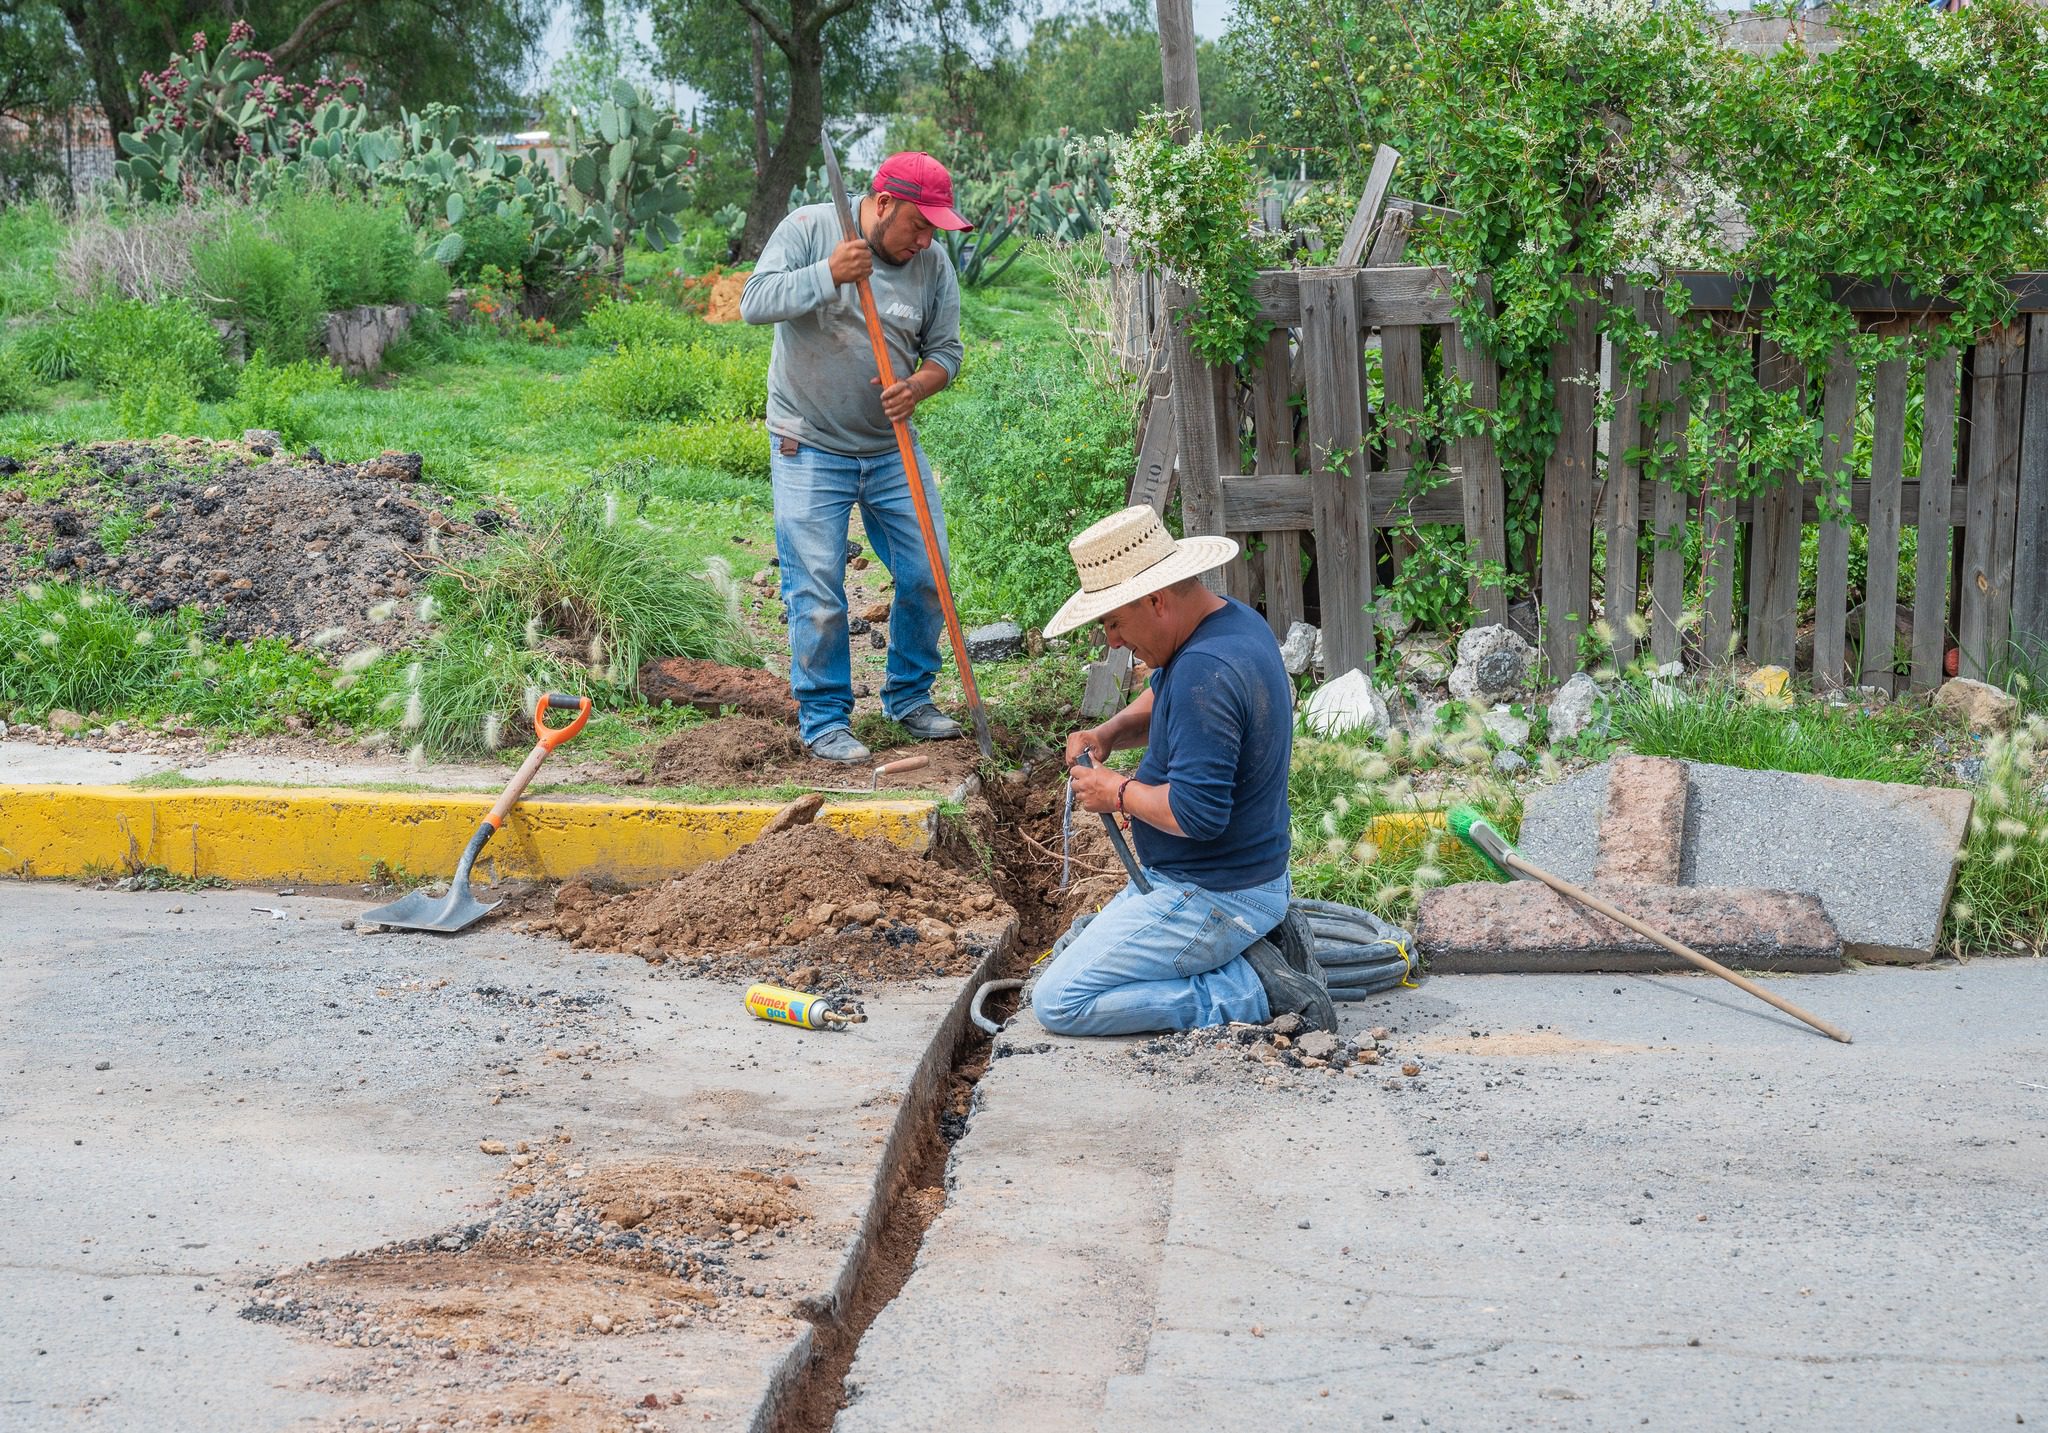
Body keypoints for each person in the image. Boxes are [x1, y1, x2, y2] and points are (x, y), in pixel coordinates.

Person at [1031, 506, 1335, 1037]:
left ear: (1155, 601)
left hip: (1213, 895)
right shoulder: (1231, 623)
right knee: (1077, 957)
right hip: (1232, 880)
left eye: (1114, 622)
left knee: (1059, 1001)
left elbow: (1197, 815)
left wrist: (1117, 792)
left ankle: (1250, 990)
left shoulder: (1205, 674)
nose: (1112, 642)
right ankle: (1255, 954)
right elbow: (1165, 698)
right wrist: (1109, 734)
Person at [738, 152, 972, 764]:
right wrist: (828, 274)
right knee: (818, 592)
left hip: (890, 448)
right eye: (920, 225)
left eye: (935, 231)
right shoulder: (811, 229)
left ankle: (909, 696)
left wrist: (918, 386)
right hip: (808, 442)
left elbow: (945, 351)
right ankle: (824, 717)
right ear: (885, 203)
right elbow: (754, 302)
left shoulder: (932, 266)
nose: (926, 240)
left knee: (929, 574)